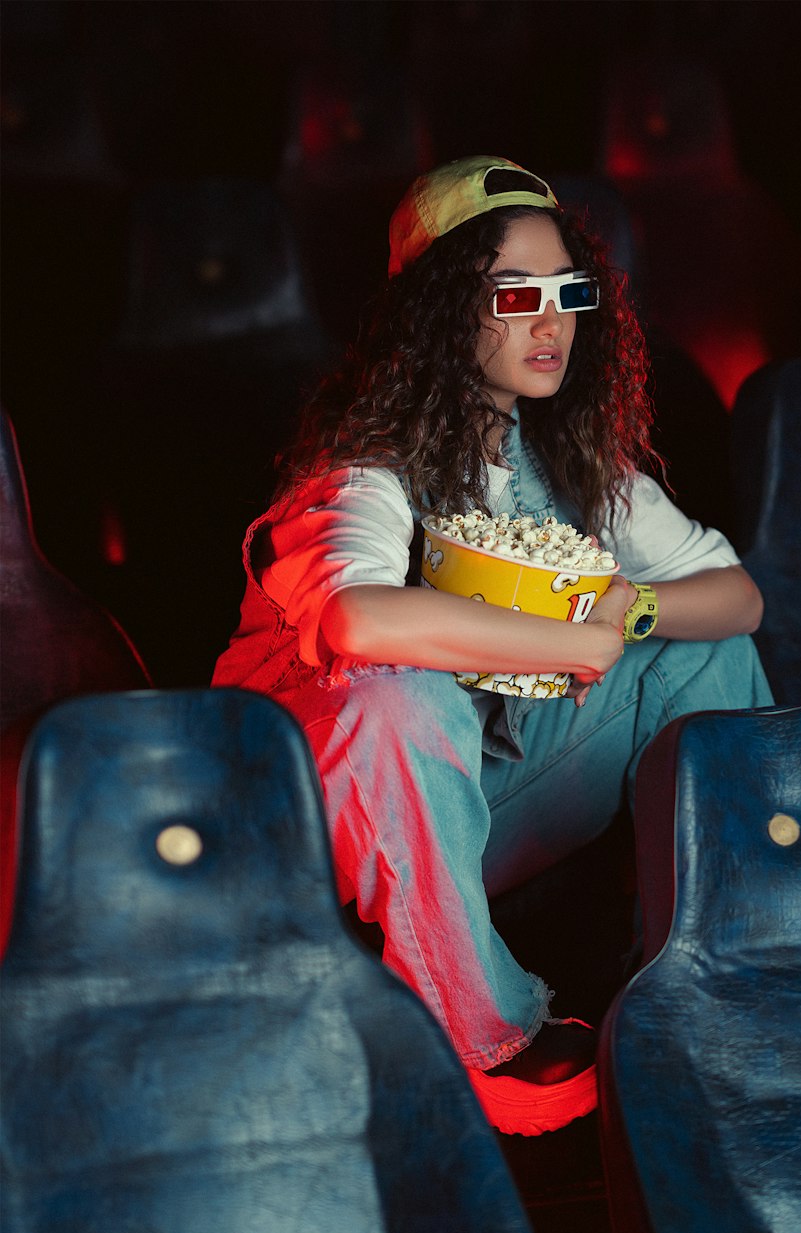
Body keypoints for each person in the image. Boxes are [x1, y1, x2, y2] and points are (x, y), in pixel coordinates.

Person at [213, 155, 772, 1136]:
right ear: (434, 308)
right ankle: (488, 1043)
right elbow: (357, 620)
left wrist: (626, 611)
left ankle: (712, 957)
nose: (549, 321)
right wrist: (569, 640)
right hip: (327, 852)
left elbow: (736, 597)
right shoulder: (359, 459)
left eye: (567, 292)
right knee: (393, 693)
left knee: (699, 651)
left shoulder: (571, 454)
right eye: (514, 294)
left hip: (478, 808)